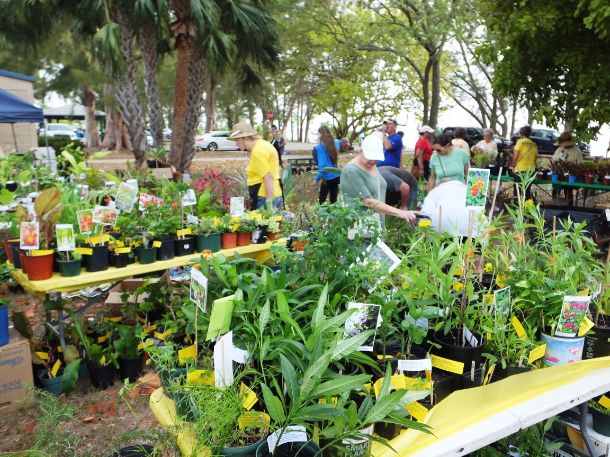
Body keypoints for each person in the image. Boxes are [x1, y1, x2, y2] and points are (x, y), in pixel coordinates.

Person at [340, 134, 418, 223]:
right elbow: (368, 201)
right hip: (360, 225)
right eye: (370, 157)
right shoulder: (351, 171)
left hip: (375, 221)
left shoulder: (371, 165)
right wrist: (400, 212)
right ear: (361, 151)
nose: (373, 161)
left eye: (375, 158)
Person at [228, 122, 283, 211]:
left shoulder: (258, 152)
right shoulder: (263, 144)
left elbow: (268, 176)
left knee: (262, 224)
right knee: (275, 223)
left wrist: (268, 201)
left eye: (236, 140)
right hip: (275, 192)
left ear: (244, 138)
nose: (236, 144)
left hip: (263, 195)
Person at [420, 181, 485, 238]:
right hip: (472, 233)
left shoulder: (435, 191)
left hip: (439, 232)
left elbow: (425, 213)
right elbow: (480, 213)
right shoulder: (471, 190)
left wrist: (422, 233)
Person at [552, 131, 583, 205]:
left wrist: (571, 166)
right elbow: (554, 160)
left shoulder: (577, 150)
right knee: (555, 191)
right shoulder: (559, 149)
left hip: (571, 176)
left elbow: (580, 164)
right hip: (559, 175)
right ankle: (555, 207)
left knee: (568, 192)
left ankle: (569, 208)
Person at [314, 126, 341, 204]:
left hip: (327, 178)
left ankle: (323, 215)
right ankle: (335, 215)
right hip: (337, 176)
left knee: (322, 199)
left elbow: (322, 166)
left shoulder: (319, 147)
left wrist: (317, 179)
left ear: (321, 134)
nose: (317, 136)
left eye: (318, 134)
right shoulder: (336, 142)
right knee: (334, 199)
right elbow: (341, 143)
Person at [512, 125, 538, 199]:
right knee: (526, 191)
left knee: (517, 192)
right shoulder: (534, 144)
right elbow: (535, 158)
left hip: (520, 170)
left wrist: (513, 165)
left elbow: (516, 155)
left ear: (522, 133)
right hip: (530, 171)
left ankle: (517, 209)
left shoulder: (520, 142)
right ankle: (526, 209)